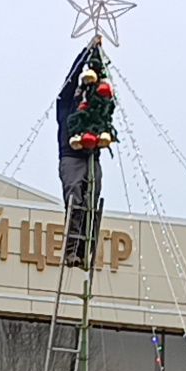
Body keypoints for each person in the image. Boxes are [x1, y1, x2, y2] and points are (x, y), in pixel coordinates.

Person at [58, 36, 103, 270]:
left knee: (91, 200)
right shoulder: (66, 104)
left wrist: (98, 60)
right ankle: (72, 250)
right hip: (71, 156)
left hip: (91, 156)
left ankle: (86, 251)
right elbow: (70, 79)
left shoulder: (94, 105)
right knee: (74, 197)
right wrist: (86, 52)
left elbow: (103, 96)